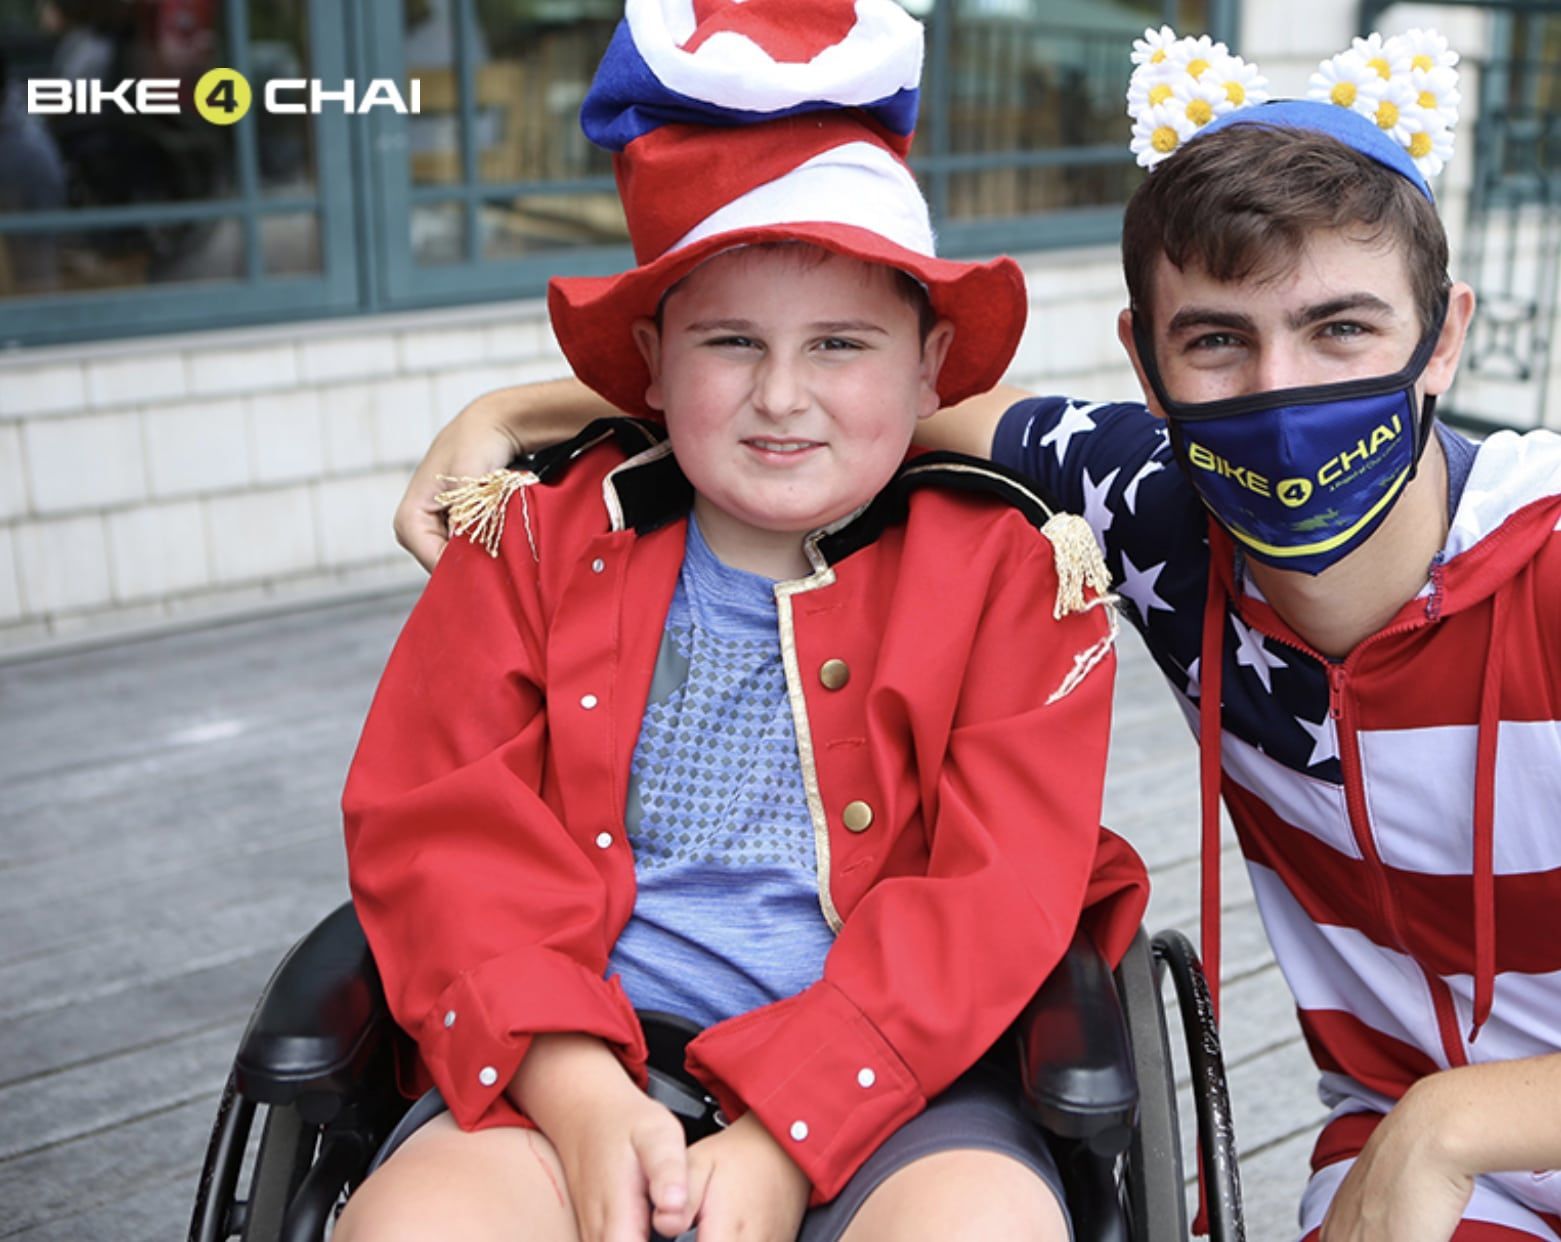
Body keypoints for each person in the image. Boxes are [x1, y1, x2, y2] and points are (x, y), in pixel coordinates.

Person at [398, 26, 1561, 1242]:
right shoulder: (1150, 507)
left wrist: (1449, 1121)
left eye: (1342, 330)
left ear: (1443, 339)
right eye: (1216, 341)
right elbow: (833, 381)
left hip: (1449, 1134)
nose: (1278, 399)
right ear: (1146, 369)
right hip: (1423, 1162)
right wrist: (516, 409)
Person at [338, 4, 1146, 1241]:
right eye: (730, 342)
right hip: (565, 1062)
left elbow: (997, 897)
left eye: (839, 344)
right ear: (652, 363)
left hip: (899, 1084)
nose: (781, 395)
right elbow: (440, 828)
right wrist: (578, 1093)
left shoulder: (1011, 572)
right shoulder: (534, 537)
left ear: (932, 367)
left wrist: (785, 1137)